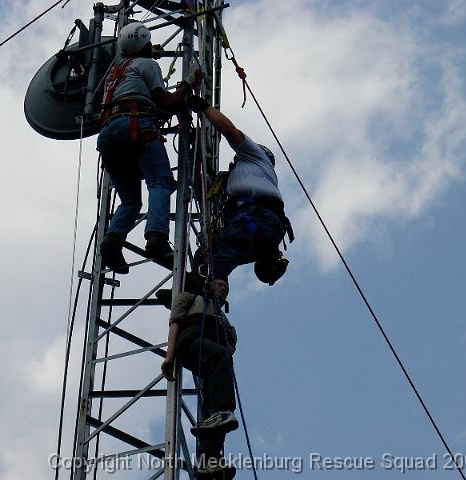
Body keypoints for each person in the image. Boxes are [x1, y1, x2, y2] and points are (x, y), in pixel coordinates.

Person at [96, 22, 202, 273]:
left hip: (109, 135)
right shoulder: (148, 65)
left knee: (131, 201)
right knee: (161, 182)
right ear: (144, 44)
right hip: (135, 126)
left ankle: (112, 241)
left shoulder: (114, 72)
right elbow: (168, 102)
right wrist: (189, 82)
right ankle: (156, 237)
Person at [186, 95, 294, 287]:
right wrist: (196, 147)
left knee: (220, 257)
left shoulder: (256, 156)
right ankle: (205, 294)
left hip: (257, 219)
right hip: (258, 227)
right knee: (208, 257)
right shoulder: (233, 181)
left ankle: (206, 286)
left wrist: (204, 108)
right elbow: (203, 187)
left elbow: (230, 132)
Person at [161, 279, 237, 479]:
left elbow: (230, 347)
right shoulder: (190, 298)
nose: (223, 290)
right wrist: (169, 357)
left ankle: (209, 458)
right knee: (221, 406)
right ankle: (221, 412)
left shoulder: (224, 321)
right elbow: (175, 324)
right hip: (192, 341)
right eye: (219, 285)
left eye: (226, 289)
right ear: (208, 284)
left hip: (211, 356)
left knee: (212, 403)